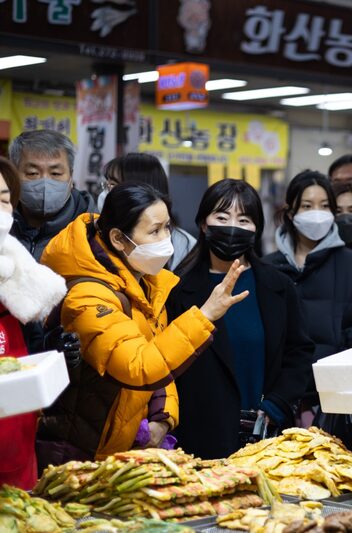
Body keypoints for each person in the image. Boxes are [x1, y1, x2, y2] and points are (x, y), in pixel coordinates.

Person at [36, 182, 248, 462]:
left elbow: (161, 358)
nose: (165, 239)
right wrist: (205, 314)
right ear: (118, 239)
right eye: (154, 231)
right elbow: (139, 365)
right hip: (83, 454)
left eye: (167, 227)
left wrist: (163, 417)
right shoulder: (87, 296)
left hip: (125, 451)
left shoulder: (147, 282)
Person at [168, 179, 314, 459]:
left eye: (244, 219)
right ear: (203, 223)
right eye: (222, 217)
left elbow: (299, 352)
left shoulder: (277, 286)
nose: (233, 227)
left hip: (265, 438)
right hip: (199, 436)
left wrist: (276, 404)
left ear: (256, 229)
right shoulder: (179, 289)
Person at [265, 170, 352, 437]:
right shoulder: (268, 269)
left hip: (336, 407)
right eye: (307, 206)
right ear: (290, 212)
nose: (316, 213)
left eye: (324, 206)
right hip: (276, 407)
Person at [0, 157, 66, 489]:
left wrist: (56, 352)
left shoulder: (19, 280)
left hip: (17, 454)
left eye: (3, 199)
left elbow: (32, 357)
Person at [8, 130, 96, 260]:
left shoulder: (94, 231)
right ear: (13, 175)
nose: (45, 182)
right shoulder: (3, 225)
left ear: (71, 178)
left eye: (55, 173)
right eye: (32, 173)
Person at [101, 153, 196, 271]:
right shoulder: (95, 235)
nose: (105, 193)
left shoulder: (185, 248)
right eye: (107, 185)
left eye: (113, 185)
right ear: (117, 238)